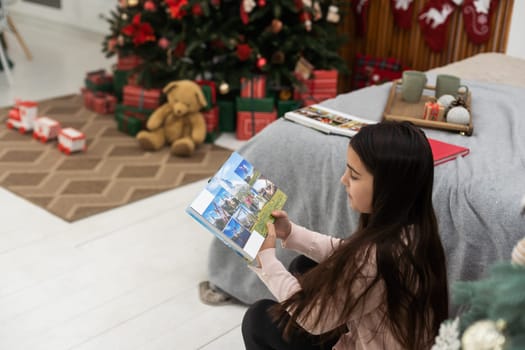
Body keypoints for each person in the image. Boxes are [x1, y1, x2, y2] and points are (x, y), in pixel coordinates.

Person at [242, 121, 449, 350]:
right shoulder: (414, 230)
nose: (343, 180)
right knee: (305, 265)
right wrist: (290, 233)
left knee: (258, 319)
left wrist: (266, 261)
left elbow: (314, 318)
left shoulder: (378, 256)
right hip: (381, 336)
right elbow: (346, 252)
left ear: (389, 189)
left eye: (354, 175)